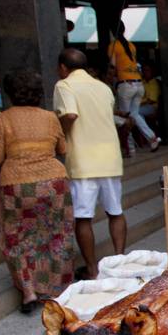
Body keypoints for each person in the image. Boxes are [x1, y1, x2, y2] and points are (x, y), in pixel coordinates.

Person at [0, 70, 73, 313]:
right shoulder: (50, 117)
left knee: (15, 237)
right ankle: (57, 290)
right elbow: (62, 148)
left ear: (10, 94)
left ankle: (29, 292)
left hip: (17, 183)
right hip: (54, 182)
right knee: (57, 233)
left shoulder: (2, 120)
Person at [53, 48, 126, 280]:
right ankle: (119, 263)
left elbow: (71, 115)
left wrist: (58, 136)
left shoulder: (64, 85)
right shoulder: (103, 87)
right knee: (115, 211)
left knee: (84, 217)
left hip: (83, 160)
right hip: (110, 157)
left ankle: (93, 270)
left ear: (63, 67)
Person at [108, 22, 161, 151]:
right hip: (138, 83)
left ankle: (130, 148)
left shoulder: (113, 46)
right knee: (134, 114)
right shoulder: (131, 45)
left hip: (126, 85)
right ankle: (152, 138)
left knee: (126, 117)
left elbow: (113, 65)